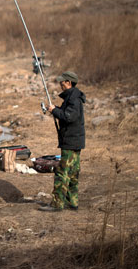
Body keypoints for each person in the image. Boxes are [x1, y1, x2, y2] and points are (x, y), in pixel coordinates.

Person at [39, 71, 86, 212]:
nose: (60, 84)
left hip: (70, 141)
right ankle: (72, 202)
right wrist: (55, 110)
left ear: (69, 83)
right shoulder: (72, 97)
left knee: (62, 172)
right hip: (74, 140)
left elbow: (69, 117)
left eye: (62, 82)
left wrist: (55, 111)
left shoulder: (74, 99)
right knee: (72, 171)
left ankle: (57, 204)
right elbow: (67, 114)